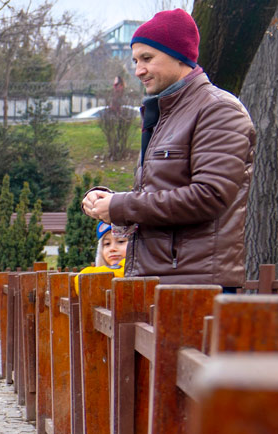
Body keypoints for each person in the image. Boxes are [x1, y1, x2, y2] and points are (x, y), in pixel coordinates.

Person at [81, 8, 256, 292]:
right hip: (161, 280)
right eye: (135, 60)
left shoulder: (219, 109)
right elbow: (158, 195)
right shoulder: (164, 114)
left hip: (197, 285)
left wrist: (120, 206)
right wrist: (109, 203)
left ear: (179, 55)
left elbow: (209, 196)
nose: (138, 70)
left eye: (147, 58)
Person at [75, 221, 128, 293]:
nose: (112, 248)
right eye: (107, 244)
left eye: (121, 241)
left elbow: (83, 276)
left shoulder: (136, 268)